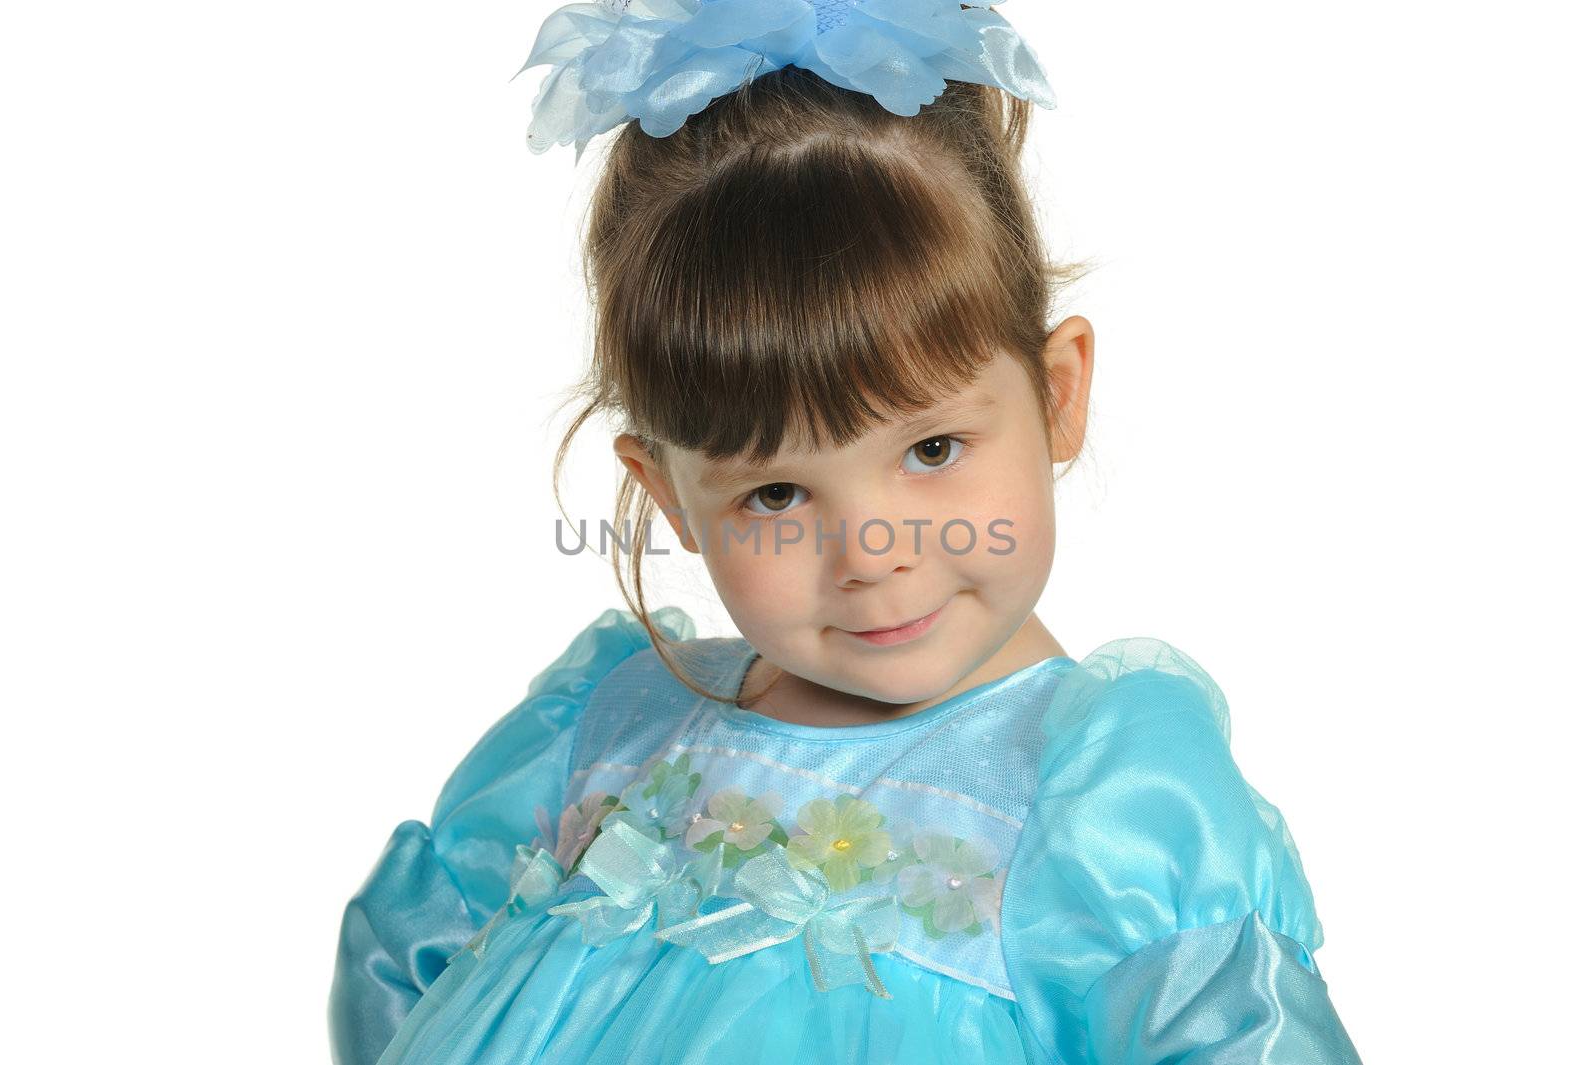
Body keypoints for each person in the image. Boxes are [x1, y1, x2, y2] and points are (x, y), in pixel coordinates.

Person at [328, 3, 1362, 1062]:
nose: (872, 555)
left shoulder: (1113, 819)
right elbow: (408, 981)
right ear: (669, 492)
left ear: (1058, 394)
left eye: (930, 451)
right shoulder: (599, 740)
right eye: (774, 495)